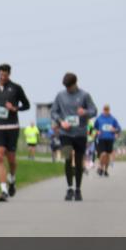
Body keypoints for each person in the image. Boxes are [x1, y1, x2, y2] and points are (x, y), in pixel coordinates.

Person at [0, 63, 30, 201]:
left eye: (5, 75)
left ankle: (12, 178)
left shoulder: (16, 88)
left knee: (11, 159)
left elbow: (27, 105)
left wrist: (15, 108)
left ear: (9, 74)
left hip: (11, 127)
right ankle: (3, 190)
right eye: (1, 74)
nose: (3, 77)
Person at [51, 72, 97, 201]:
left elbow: (94, 111)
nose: (68, 89)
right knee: (67, 158)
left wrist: (85, 112)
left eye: (69, 87)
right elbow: (53, 111)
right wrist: (61, 122)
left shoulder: (84, 95)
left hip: (80, 133)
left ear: (75, 83)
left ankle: (78, 190)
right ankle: (69, 188)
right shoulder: (60, 96)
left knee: (78, 161)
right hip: (65, 133)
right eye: (66, 87)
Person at [94, 104, 122, 176]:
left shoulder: (113, 119)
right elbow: (93, 128)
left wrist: (115, 130)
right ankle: (100, 167)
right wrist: (97, 132)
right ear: (103, 110)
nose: (106, 111)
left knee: (107, 155)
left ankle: (106, 170)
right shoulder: (99, 119)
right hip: (101, 138)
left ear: (109, 110)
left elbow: (119, 129)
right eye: (105, 109)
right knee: (103, 154)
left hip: (110, 139)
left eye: (107, 110)